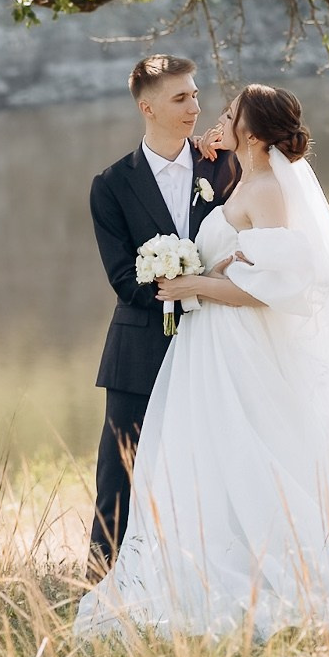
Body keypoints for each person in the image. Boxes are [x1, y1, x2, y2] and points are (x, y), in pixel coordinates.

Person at [76, 84, 329, 639]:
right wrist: (214, 270)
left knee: (249, 457)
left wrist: (194, 283)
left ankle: (271, 574)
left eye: (229, 113)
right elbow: (245, 265)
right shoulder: (242, 179)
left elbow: (273, 286)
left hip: (235, 342)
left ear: (255, 131)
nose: (216, 117)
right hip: (215, 345)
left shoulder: (265, 189)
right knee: (213, 462)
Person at [86, 54, 237, 574]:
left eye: (196, 95)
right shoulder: (110, 186)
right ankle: (103, 580)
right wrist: (183, 288)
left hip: (219, 341)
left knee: (216, 462)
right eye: (181, 98)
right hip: (140, 347)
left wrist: (205, 288)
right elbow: (124, 280)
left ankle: (201, 571)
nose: (195, 106)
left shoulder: (223, 166)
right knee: (121, 470)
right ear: (147, 107)